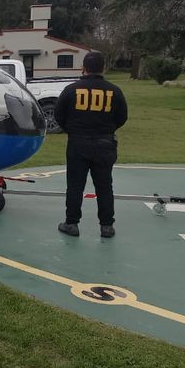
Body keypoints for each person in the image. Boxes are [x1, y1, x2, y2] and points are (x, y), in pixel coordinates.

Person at [55, 51, 128, 238]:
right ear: (103, 68)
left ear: (84, 68)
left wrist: (72, 129)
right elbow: (122, 117)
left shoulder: (72, 90)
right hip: (105, 143)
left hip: (78, 143)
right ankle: (107, 226)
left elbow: (58, 116)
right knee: (104, 186)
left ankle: (71, 223)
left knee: (75, 186)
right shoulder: (114, 91)